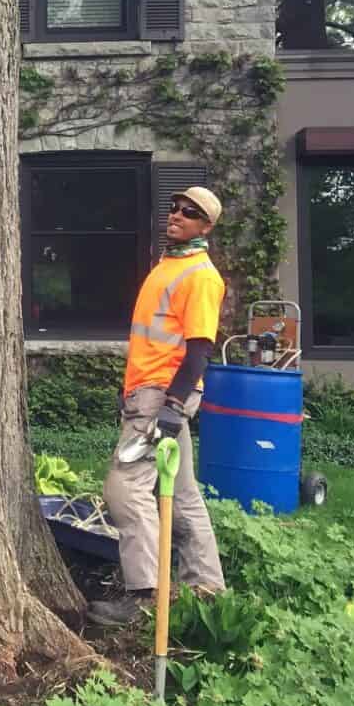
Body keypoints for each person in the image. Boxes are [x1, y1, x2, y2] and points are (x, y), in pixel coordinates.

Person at [90, 187, 227, 626]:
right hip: (148, 391)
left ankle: (145, 596)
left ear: (205, 227)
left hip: (163, 394)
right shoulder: (170, 265)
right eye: (175, 207)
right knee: (183, 495)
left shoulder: (201, 276)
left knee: (125, 489)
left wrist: (172, 404)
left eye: (191, 213)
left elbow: (200, 350)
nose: (178, 215)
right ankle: (206, 590)